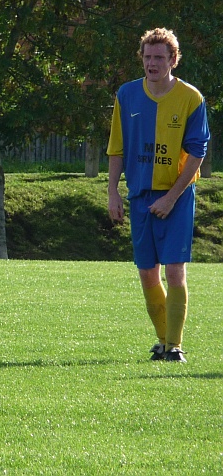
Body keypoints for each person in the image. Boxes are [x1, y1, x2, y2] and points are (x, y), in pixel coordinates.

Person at [107, 27, 210, 363]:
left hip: (176, 196)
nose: (152, 63)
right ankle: (163, 340)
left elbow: (197, 153)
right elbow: (117, 148)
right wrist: (112, 191)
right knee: (146, 270)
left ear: (173, 61)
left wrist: (171, 198)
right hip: (139, 196)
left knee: (175, 269)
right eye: (147, 57)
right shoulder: (126, 95)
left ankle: (175, 346)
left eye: (159, 57)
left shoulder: (191, 99)